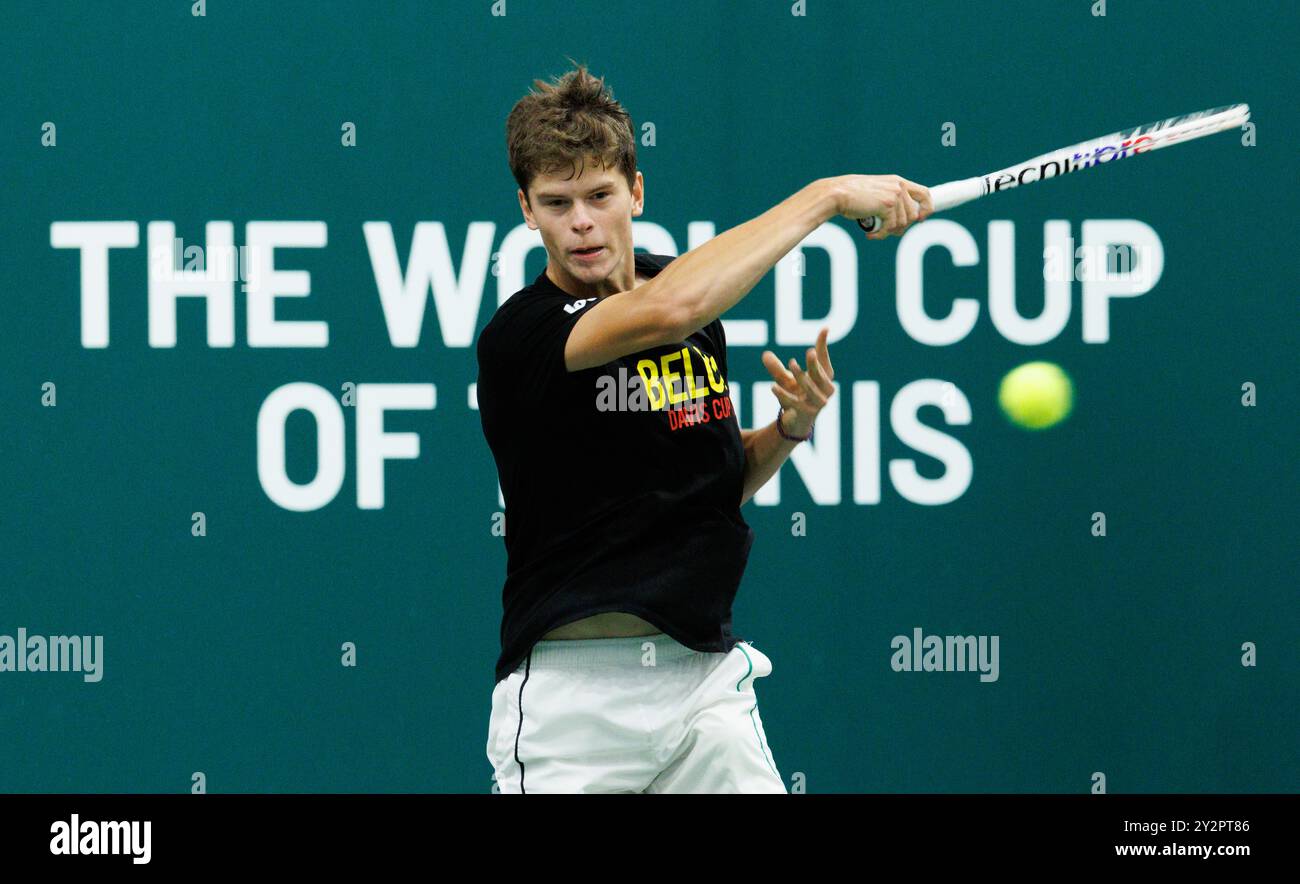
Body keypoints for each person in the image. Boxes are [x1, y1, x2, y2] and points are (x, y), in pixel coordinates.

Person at [475, 62, 931, 793]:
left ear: (637, 191)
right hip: (571, 709)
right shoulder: (523, 337)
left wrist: (786, 430)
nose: (582, 221)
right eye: (557, 204)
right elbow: (668, 311)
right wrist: (828, 196)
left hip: (701, 685)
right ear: (527, 211)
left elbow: (714, 486)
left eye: (599, 195)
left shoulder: (688, 310)